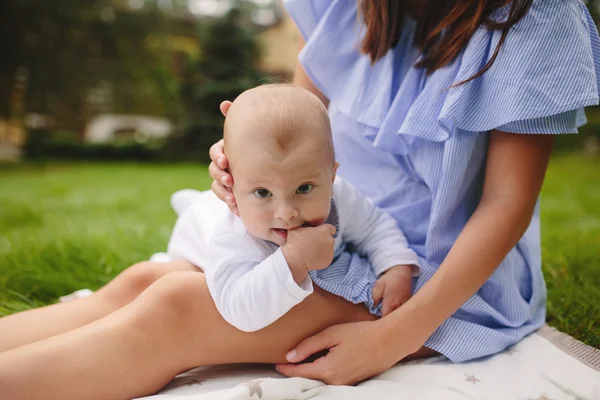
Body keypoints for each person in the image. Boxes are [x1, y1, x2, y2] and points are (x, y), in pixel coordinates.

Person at [0, 0, 598, 399]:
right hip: (318, 224)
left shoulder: (532, 21)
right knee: (139, 283)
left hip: (424, 278)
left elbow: (505, 206)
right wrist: (241, 162)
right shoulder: (359, 8)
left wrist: (395, 335)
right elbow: (294, 120)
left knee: (173, 311)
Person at [166, 84, 420, 332]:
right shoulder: (235, 237)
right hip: (195, 235)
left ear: (331, 176)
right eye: (263, 193)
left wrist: (395, 266)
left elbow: (375, 227)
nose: (286, 212)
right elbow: (239, 311)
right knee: (179, 280)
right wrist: (294, 261)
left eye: (304, 189)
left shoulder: (339, 196)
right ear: (230, 186)